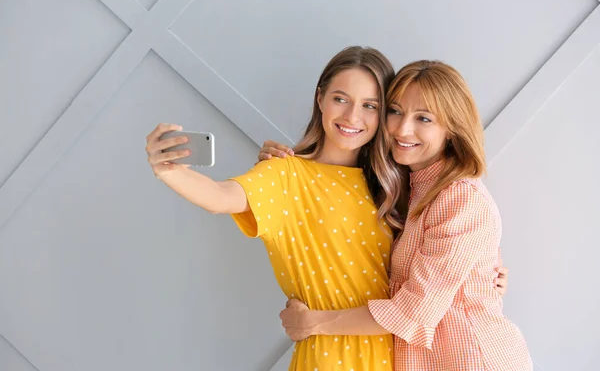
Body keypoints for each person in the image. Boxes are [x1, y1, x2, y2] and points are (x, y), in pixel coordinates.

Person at [146, 46, 399, 370]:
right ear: (320, 98)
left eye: (369, 106)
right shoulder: (285, 173)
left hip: (396, 356)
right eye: (340, 99)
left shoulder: (389, 186)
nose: (352, 116)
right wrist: (169, 170)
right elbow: (221, 197)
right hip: (329, 359)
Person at [276, 60, 531, 370]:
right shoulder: (408, 189)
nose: (401, 128)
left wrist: (313, 323)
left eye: (423, 118)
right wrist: (280, 165)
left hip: (471, 360)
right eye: (395, 111)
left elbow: (414, 311)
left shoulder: (460, 199)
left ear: (452, 129)